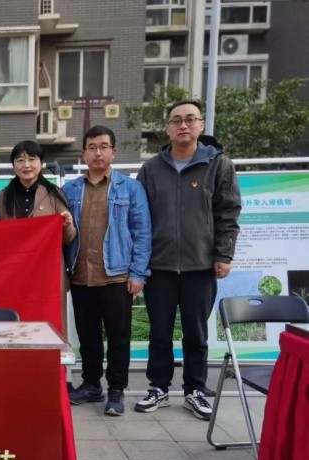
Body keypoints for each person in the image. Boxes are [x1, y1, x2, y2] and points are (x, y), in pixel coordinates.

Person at [135, 100, 241, 420]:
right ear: (167, 128)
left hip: (200, 265)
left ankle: (195, 390)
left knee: (196, 332)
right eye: (176, 120)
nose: (183, 125)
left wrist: (223, 254)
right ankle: (158, 388)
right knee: (160, 332)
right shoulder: (151, 169)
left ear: (201, 125)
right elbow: (140, 219)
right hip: (160, 266)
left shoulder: (219, 165)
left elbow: (228, 213)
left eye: (190, 119)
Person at [64, 126, 152, 416]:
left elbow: (142, 233)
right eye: (92, 147)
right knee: (88, 337)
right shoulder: (70, 190)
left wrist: (138, 274)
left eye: (103, 147)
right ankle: (91, 385)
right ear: (84, 154)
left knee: (118, 338)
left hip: (117, 276)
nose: (97, 153)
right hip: (81, 276)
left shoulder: (130, 188)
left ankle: (116, 390)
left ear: (113, 152)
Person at [0, 140, 77, 336]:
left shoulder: (54, 195)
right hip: (13, 274)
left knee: (49, 326)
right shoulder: (3, 197)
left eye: (32, 159)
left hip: (47, 274)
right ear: (13, 165)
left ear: (41, 163)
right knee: (14, 327)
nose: (26, 165)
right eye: (20, 160)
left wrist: (67, 225)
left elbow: (68, 238)